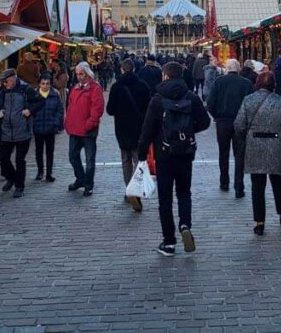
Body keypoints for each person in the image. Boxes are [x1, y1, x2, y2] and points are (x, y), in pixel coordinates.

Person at [137, 61, 211, 256]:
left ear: (165, 76)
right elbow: (205, 122)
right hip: (185, 152)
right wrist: (188, 131)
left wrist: (142, 153)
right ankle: (185, 225)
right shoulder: (192, 97)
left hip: (164, 153)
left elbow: (147, 129)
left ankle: (169, 241)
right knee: (184, 193)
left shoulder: (157, 99)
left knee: (165, 198)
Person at [235, 69, 281, 235]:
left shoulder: (248, 101)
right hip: (276, 145)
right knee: (278, 183)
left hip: (255, 145)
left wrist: (245, 137)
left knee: (257, 185)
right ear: (274, 85)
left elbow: (239, 125)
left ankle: (259, 221)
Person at [106, 58, 152, 211]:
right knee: (138, 161)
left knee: (126, 160)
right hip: (139, 129)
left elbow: (110, 110)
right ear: (134, 69)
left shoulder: (117, 87)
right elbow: (149, 107)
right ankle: (137, 190)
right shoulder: (143, 86)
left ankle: (129, 190)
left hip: (122, 128)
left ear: (121, 69)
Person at [205, 55, 254, 198]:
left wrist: (217, 117)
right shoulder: (246, 83)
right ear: (238, 69)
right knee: (240, 155)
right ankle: (239, 186)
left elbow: (210, 103)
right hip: (240, 122)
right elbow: (251, 104)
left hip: (223, 122)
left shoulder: (219, 82)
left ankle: (224, 182)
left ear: (227, 69)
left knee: (223, 153)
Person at [66, 61, 105, 196]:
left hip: (88, 131)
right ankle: (80, 179)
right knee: (73, 156)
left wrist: (90, 123)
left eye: (81, 74)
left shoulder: (95, 88)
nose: (79, 76)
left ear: (88, 74)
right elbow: (70, 106)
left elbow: (97, 108)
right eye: (77, 74)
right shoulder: (75, 88)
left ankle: (88, 184)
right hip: (75, 130)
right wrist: (68, 122)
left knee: (89, 160)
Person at [0, 69, 38, 198]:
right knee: (3, 158)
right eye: (3, 82)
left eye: (7, 81)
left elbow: (40, 101)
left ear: (14, 78)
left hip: (22, 130)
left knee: (19, 160)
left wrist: (30, 111)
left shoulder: (26, 89)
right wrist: (0, 110)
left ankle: (19, 186)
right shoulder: (4, 90)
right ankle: (11, 177)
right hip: (7, 130)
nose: (5, 84)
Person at [32, 75, 64, 182]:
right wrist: (33, 122)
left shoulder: (55, 95)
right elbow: (29, 109)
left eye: (47, 83)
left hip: (50, 128)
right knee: (39, 152)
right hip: (38, 127)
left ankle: (49, 173)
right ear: (39, 84)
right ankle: (40, 171)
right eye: (43, 83)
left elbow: (60, 110)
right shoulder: (34, 95)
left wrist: (55, 122)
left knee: (50, 152)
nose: (45, 86)